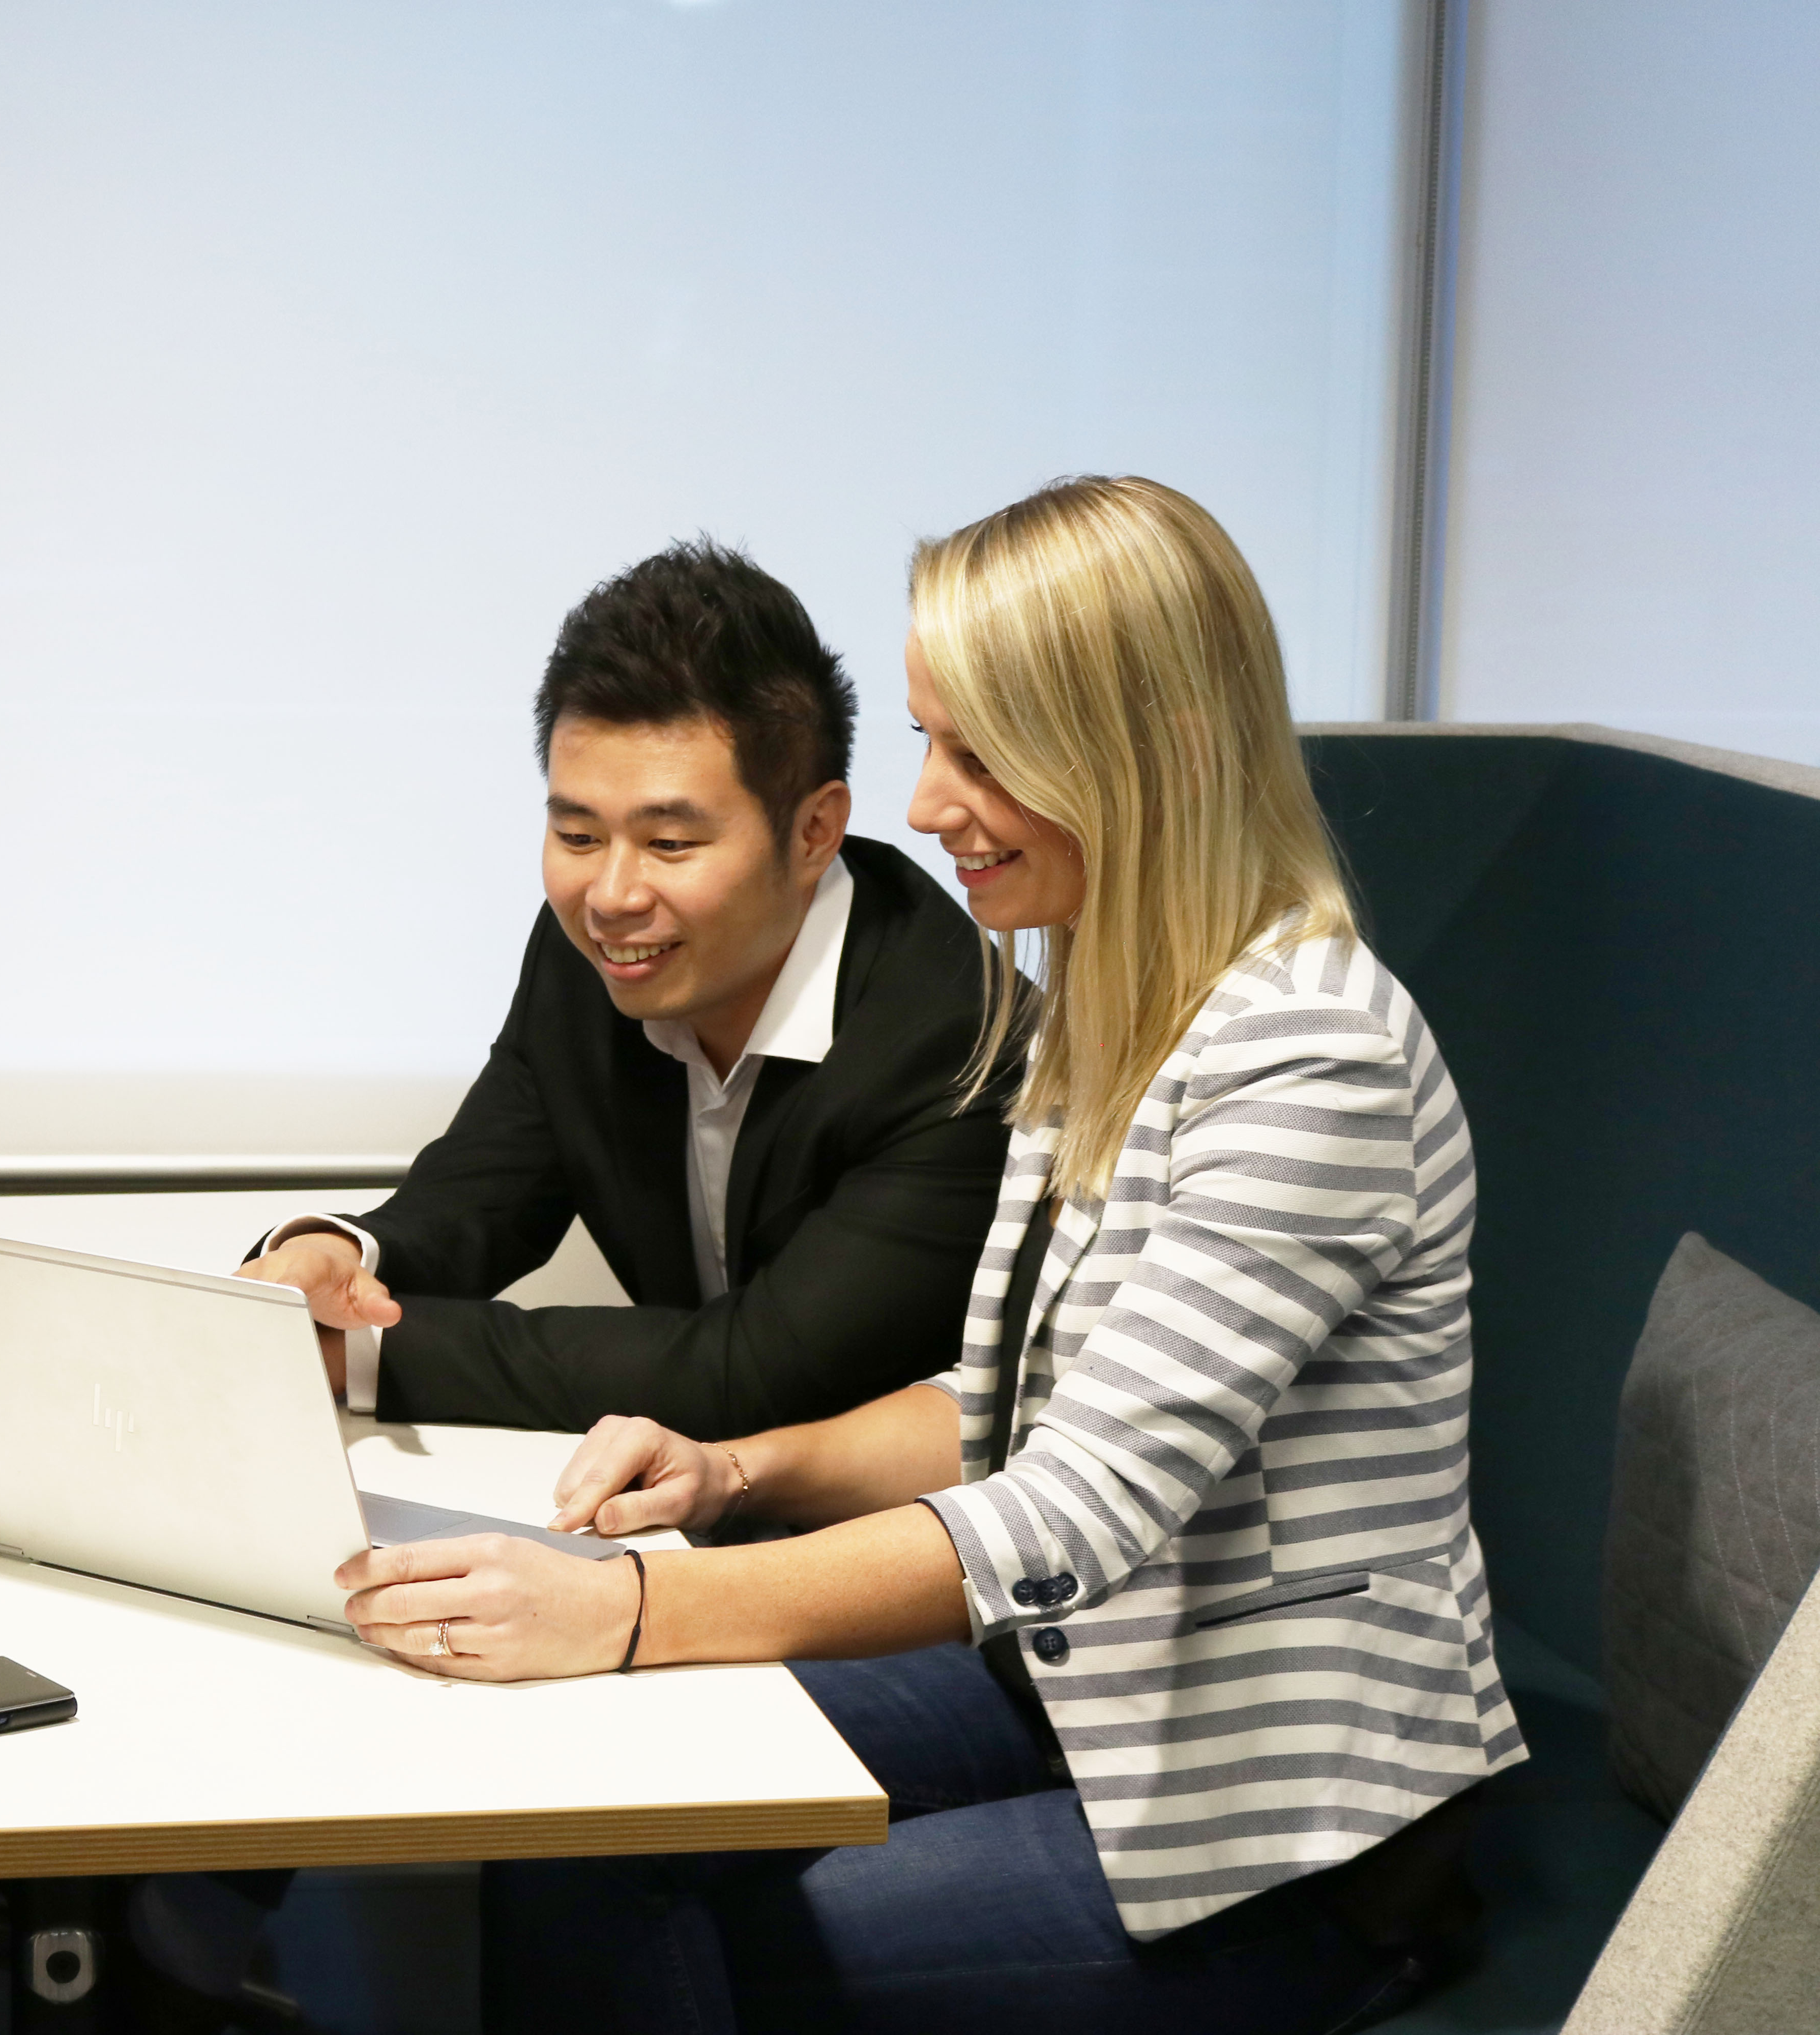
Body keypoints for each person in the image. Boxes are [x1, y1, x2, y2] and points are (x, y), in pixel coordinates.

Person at [332, 479, 1523, 2032]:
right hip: (1080, 1690)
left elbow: (1069, 1512)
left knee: (739, 1943)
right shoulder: (1120, 1001)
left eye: (978, 752)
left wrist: (627, 1606)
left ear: (1139, 753)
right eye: (927, 741)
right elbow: (1015, 1398)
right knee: (573, 1837)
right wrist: (737, 1475)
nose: (929, 802)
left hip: (1274, 1830)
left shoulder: (1311, 1061)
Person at [238, 540, 1008, 1437]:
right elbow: (482, 1196)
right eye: (576, 836)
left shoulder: (954, 1037)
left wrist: (355, 1354)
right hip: (677, 1504)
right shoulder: (595, 949)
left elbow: (756, 1374)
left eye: (670, 845)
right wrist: (333, 1254)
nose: (610, 896)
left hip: (903, 1545)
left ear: (814, 831)